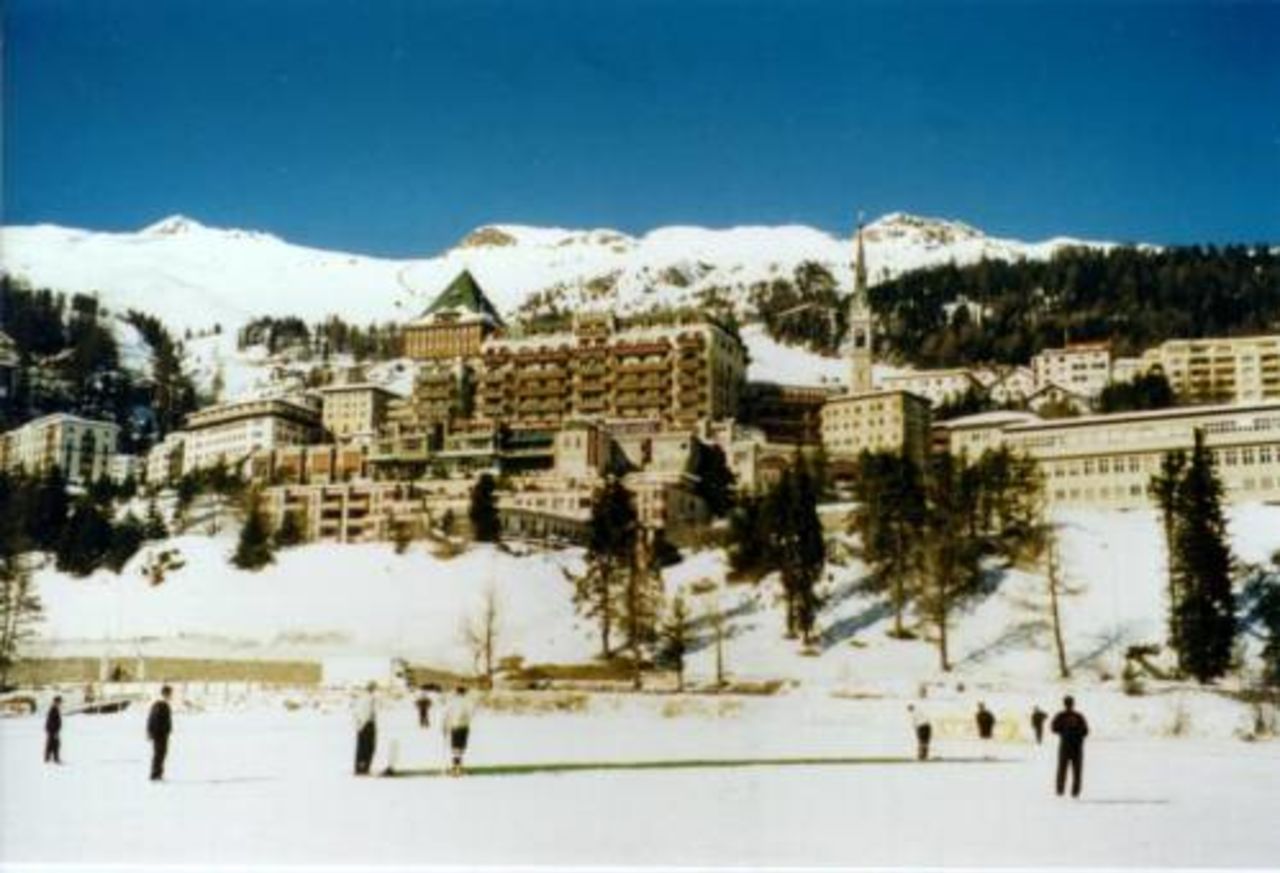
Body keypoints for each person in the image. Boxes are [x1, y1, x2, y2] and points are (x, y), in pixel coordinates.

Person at [1051, 695, 1089, 798]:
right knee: (1076, 771)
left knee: (1062, 769)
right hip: (1076, 747)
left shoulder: (1061, 716)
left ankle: (1060, 790)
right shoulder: (1079, 716)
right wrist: (1077, 734)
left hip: (1065, 746)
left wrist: (1065, 732)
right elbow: (1086, 731)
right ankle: (1074, 792)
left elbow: (1054, 728)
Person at [442, 686, 476, 777]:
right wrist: (466, 720)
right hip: (464, 726)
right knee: (461, 747)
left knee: (455, 748)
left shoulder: (451, 702)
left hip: (454, 726)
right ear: (464, 692)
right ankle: (458, 767)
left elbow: (446, 714)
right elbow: (472, 713)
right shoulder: (468, 701)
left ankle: (456, 767)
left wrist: (445, 726)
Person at [146, 685, 174, 781]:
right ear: (166, 694)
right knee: (159, 754)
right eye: (170, 693)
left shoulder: (162, 704)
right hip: (160, 734)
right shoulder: (160, 704)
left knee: (161, 753)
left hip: (162, 733)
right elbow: (154, 719)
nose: (171, 696)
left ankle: (158, 774)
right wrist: (152, 732)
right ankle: (155, 774)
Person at [353, 682, 378, 776]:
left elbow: (357, 713)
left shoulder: (364, 698)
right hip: (366, 725)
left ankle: (362, 767)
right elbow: (366, 713)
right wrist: (363, 725)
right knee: (367, 747)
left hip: (364, 725)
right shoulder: (368, 698)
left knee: (364, 748)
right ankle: (363, 768)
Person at [44, 695, 63, 764]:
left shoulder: (55, 709)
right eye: (59, 702)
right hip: (52, 730)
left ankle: (51, 758)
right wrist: (54, 731)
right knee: (53, 744)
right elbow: (51, 721)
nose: (60, 703)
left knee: (54, 744)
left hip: (53, 730)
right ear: (55, 702)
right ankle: (52, 758)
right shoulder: (53, 709)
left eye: (60, 702)